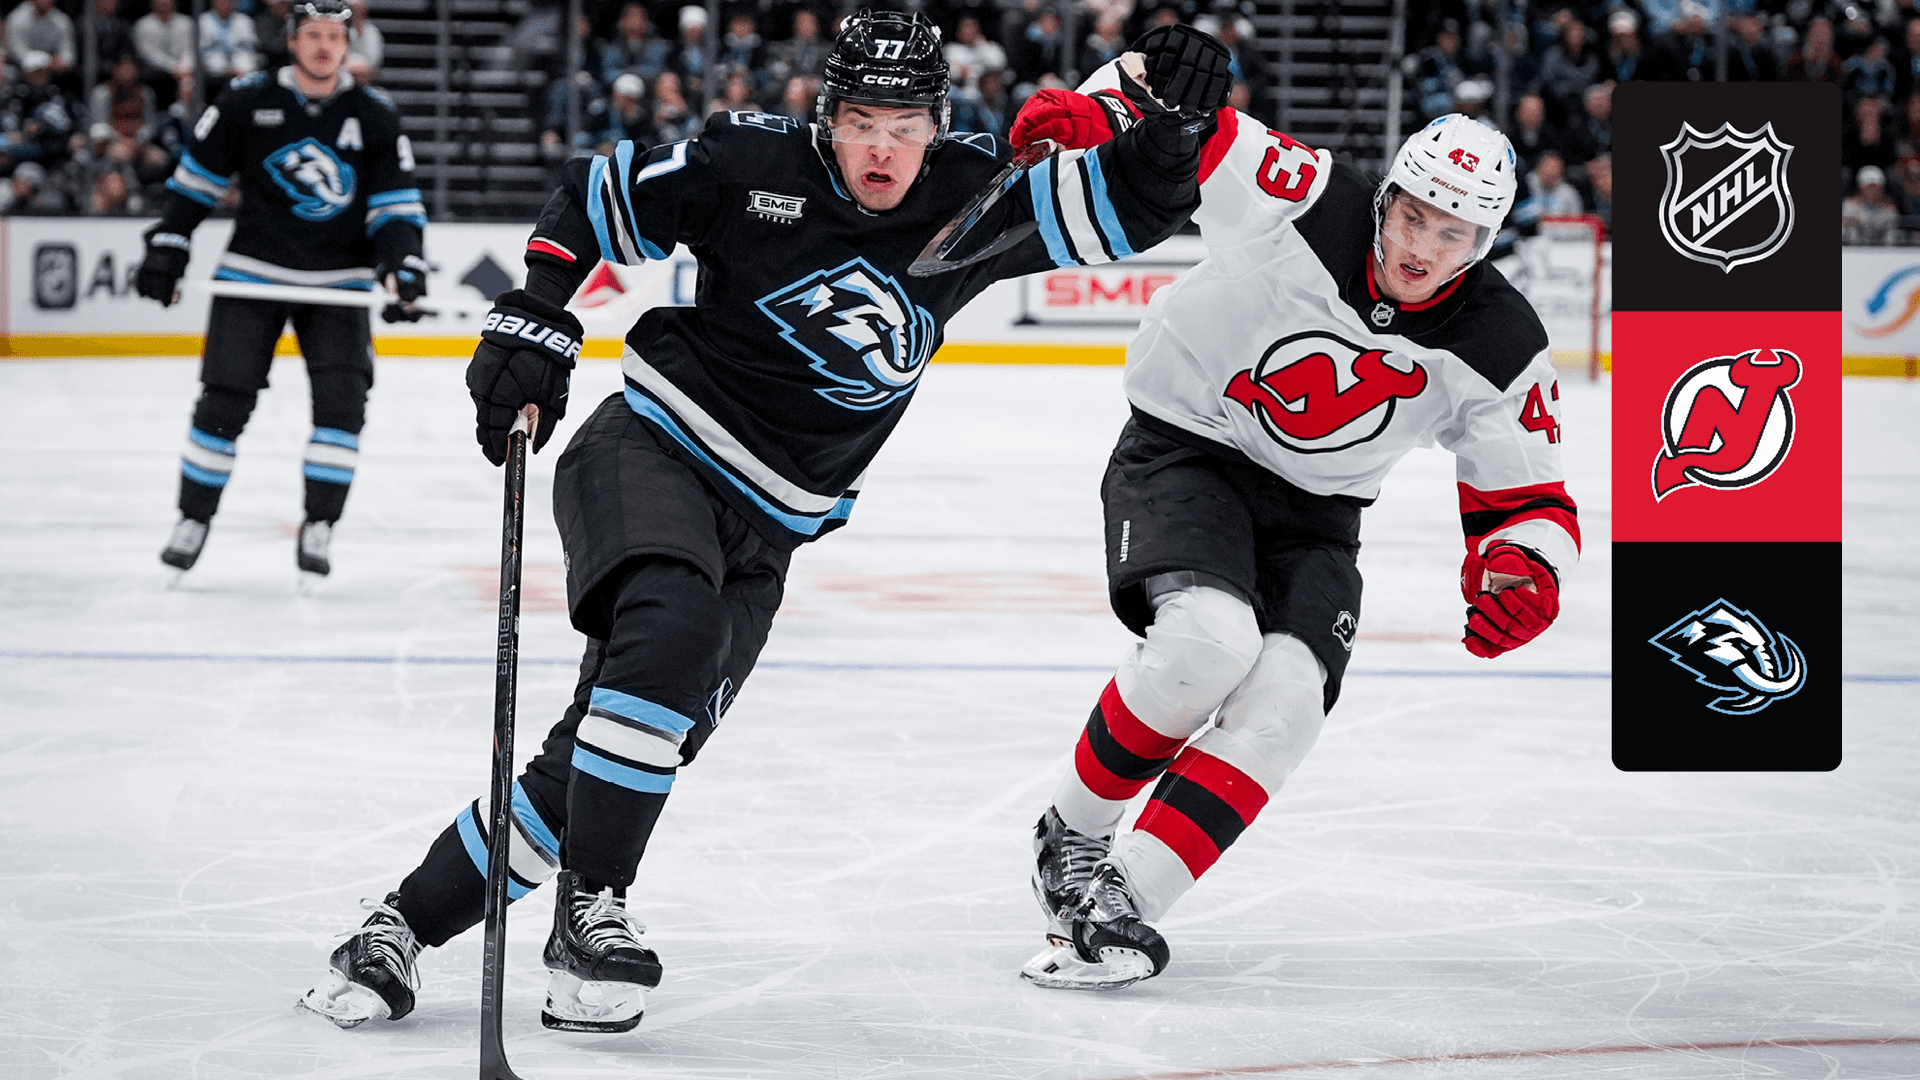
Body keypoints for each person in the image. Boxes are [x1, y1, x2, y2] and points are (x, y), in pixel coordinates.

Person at [294, 10, 1233, 1036]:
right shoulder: (751, 165)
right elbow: (598, 193)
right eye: (862, 122)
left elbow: (1136, 204)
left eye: (906, 125)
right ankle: (592, 915)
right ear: (827, 118)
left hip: (769, 535)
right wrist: (541, 310)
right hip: (652, 452)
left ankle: (397, 930)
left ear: (939, 125)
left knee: (605, 764)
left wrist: (1174, 131)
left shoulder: (976, 198)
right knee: (671, 633)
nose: (883, 148)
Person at [1006, 88, 1580, 990]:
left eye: (1453, 234)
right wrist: (1102, 122)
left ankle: (1117, 908)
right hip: (1189, 445)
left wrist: (1527, 566)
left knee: (1288, 699)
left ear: (1484, 242)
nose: (1423, 249)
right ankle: (1072, 834)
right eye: (1414, 217)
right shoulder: (1310, 198)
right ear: (1385, 199)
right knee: (1205, 646)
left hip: (1318, 513)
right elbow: (1193, 126)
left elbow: (1529, 494)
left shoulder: (1501, 338)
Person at [135, 0, 428, 578]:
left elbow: (395, 205)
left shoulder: (375, 113)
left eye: (334, 37)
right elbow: (197, 181)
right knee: (224, 402)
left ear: (348, 45)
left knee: (342, 407)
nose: (324, 47)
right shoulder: (245, 99)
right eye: (312, 35)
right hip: (252, 273)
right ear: (292, 41)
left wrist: (403, 265)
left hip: (339, 282)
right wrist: (170, 240)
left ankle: (320, 523)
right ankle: (192, 518)